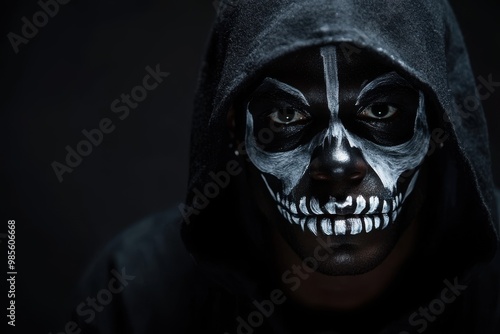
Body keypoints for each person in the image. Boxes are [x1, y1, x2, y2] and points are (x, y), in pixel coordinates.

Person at [72, 0, 500, 333]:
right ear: (235, 129)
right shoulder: (134, 292)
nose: (336, 165)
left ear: (441, 121)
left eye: (382, 110)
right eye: (287, 116)